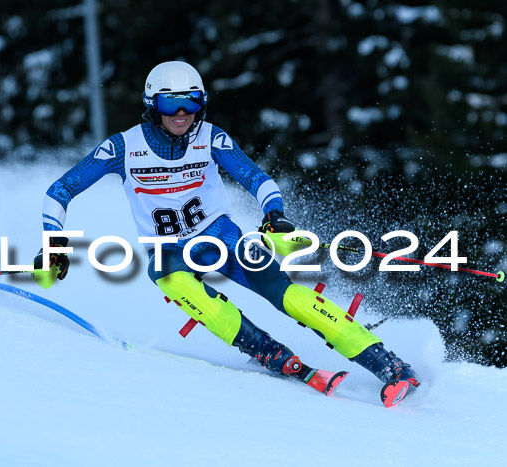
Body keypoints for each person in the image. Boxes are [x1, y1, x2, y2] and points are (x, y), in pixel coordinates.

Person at [33, 61, 419, 406]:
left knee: (292, 297)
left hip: (222, 237)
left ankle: (389, 365)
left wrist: (274, 216)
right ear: (152, 106)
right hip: (169, 250)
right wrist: (53, 245)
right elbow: (60, 191)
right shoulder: (122, 147)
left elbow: (257, 178)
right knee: (171, 279)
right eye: (171, 105)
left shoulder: (211, 137)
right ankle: (267, 350)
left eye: (193, 102)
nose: (183, 113)